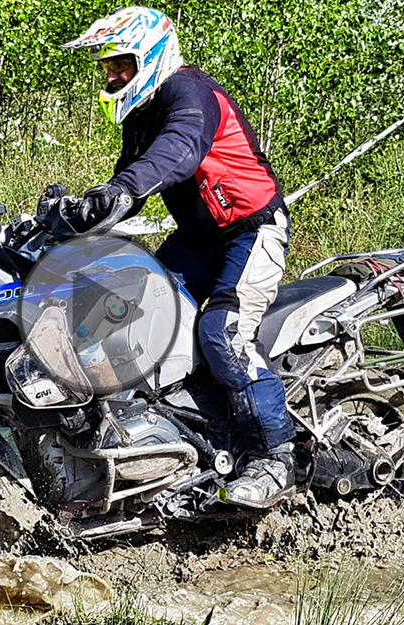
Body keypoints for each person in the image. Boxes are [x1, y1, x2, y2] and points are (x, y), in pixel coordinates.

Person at [63, 6, 294, 508]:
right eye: (108, 66)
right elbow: (132, 177)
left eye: (122, 64)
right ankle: (146, 438)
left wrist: (125, 187)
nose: (113, 75)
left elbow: (180, 150)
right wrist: (71, 217)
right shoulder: (142, 113)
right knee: (116, 311)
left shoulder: (190, 93)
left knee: (222, 332)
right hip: (198, 236)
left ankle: (273, 457)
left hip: (250, 231)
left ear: (150, 56)